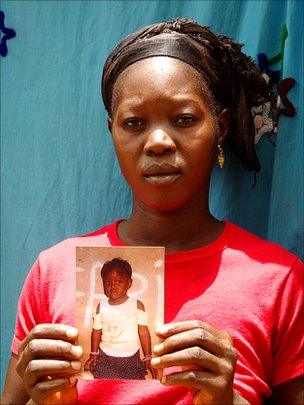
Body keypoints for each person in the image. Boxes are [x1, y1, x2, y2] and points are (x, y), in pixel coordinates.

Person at [1, 17, 303, 405]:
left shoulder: (278, 282)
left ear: (221, 128)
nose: (158, 141)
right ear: (113, 133)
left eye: (184, 119)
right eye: (134, 123)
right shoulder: (55, 270)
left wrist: (229, 399)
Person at [83, 257, 156, 380]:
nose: (113, 286)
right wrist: (94, 353)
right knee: (105, 384)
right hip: (106, 356)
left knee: (132, 386)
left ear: (129, 283)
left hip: (131, 356)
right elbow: (96, 331)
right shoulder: (101, 306)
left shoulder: (137, 305)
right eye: (108, 282)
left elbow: (143, 332)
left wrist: (148, 357)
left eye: (118, 282)